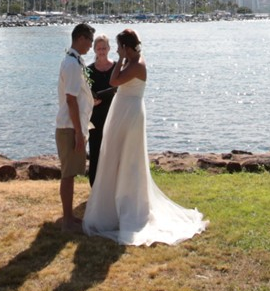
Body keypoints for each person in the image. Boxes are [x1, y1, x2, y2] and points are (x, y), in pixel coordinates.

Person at [83, 28, 206, 246]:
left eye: (121, 46)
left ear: (127, 47)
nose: (119, 50)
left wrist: (119, 59)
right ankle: (113, 203)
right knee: (116, 155)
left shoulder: (137, 64)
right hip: (124, 111)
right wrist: (122, 59)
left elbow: (114, 81)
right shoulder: (132, 61)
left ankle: (130, 206)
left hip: (130, 114)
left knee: (129, 158)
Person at [55, 21, 94, 232]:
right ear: (80, 38)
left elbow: (78, 96)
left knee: (70, 173)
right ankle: (67, 220)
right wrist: (79, 133)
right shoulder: (71, 64)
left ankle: (69, 217)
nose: (91, 45)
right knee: (68, 174)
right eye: (89, 41)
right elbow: (70, 100)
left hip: (74, 125)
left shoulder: (76, 61)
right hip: (70, 127)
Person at [86, 34, 116, 186]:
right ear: (94, 50)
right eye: (99, 48)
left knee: (113, 152)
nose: (102, 51)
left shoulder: (117, 67)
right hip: (96, 116)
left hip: (114, 115)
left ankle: (112, 187)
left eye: (104, 48)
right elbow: (84, 92)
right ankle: (95, 187)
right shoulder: (88, 70)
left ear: (109, 48)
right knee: (96, 152)